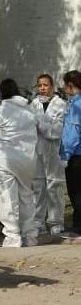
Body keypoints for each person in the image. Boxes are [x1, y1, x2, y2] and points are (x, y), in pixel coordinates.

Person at [0, 79, 40, 247]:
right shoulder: (30, 110)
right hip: (27, 159)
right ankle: (30, 235)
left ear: (1, 93)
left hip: (3, 158)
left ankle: (12, 236)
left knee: (6, 197)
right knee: (26, 196)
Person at [30, 74, 67, 235]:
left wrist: (40, 123)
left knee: (54, 186)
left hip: (53, 151)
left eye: (45, 85)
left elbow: (56, 131)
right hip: (36, 151)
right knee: (38, 187)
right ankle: (38, 221)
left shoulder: (61, 105)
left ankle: (55, 221)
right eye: (40, 85)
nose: (42, 88)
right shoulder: (34, 104)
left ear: (52, 86)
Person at [60, 70, 81, 236]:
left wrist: (65, 155)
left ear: (70, 86)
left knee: (76, 191)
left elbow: (72, 133)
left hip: (76, 155)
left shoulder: (75, 105)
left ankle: (78, 226)